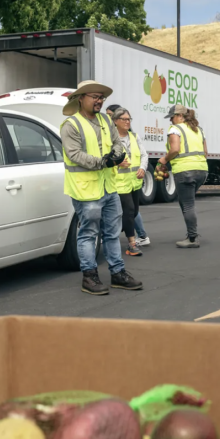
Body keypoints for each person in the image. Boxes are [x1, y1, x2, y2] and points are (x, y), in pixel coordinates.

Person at [61, 80, 143, 294]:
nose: (99, 101)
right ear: (81, 98)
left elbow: (117, 143)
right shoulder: (71, 125)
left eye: (101, 97)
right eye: (95, 97)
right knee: (88, 233)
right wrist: (103, 162)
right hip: (85, 190)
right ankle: (89, 277)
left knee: (112, 233)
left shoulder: (107, 121)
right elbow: (74, 154)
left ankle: (118, 273)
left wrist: (116, 155)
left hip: (108, 187)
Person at [156, 104, 208, 248]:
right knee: (187, 203)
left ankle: (192, 238)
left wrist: (164, 160)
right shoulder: (198, 130)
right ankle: (191, 234)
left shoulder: (175, 129)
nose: (170, 121)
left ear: (179, 116)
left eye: (172, 117)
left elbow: (175, 149)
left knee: (187, 205)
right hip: (202, 170)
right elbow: (205, 152)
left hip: (185, 171)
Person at [112, 107, 148, 256]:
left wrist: (143, 168)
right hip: (119, 183)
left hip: (134, 181)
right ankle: (132, 244)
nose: (127, 122)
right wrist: (117, 162)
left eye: (129, 119)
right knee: (129, 211)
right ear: (115, 121)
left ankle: (111, 232)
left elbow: (144, 155)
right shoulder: (111, 139)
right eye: (124, 119)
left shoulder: (134, 137)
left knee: (134, 212)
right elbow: (105, 158)